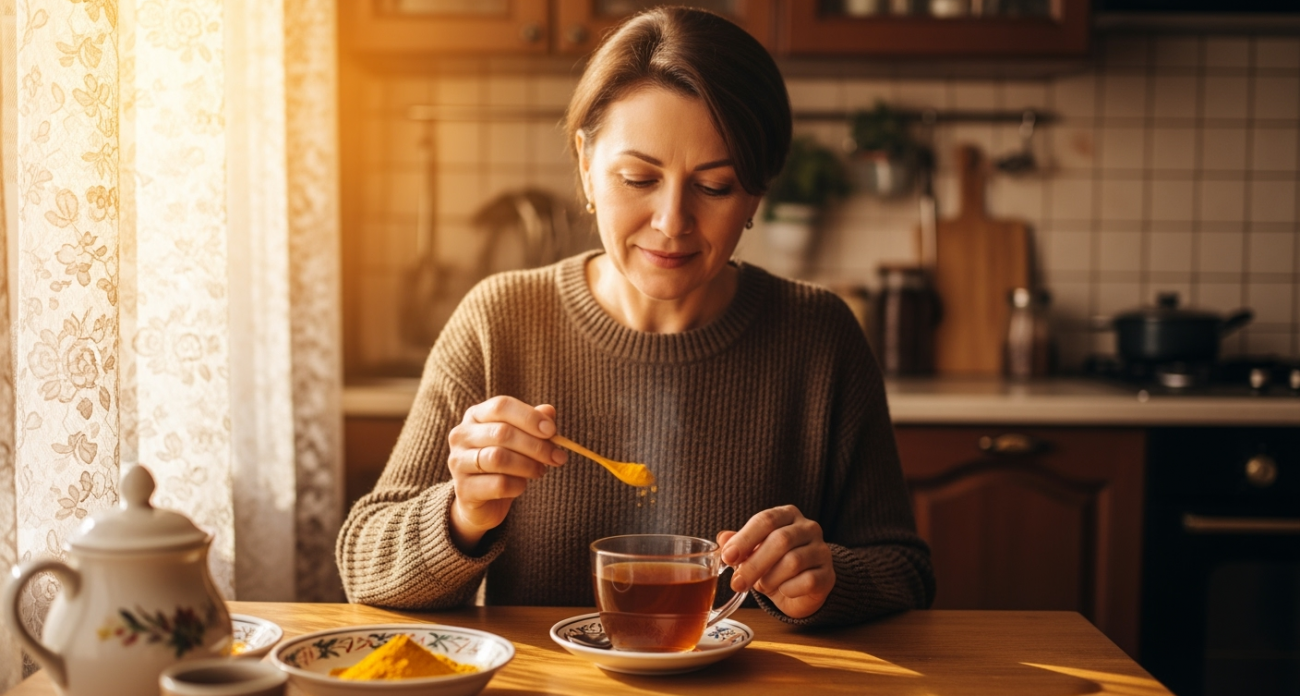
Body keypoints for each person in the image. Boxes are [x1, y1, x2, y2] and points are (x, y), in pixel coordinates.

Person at [337, 6, 934, 627]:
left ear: (755, 194)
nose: (672, 222)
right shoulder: (499, 320)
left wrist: (828, 577)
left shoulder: (820, 336)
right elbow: (363, 568)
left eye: (716, 186)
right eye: (637, 177)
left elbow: (906, 570)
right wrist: (463, 516)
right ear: (586, 168)